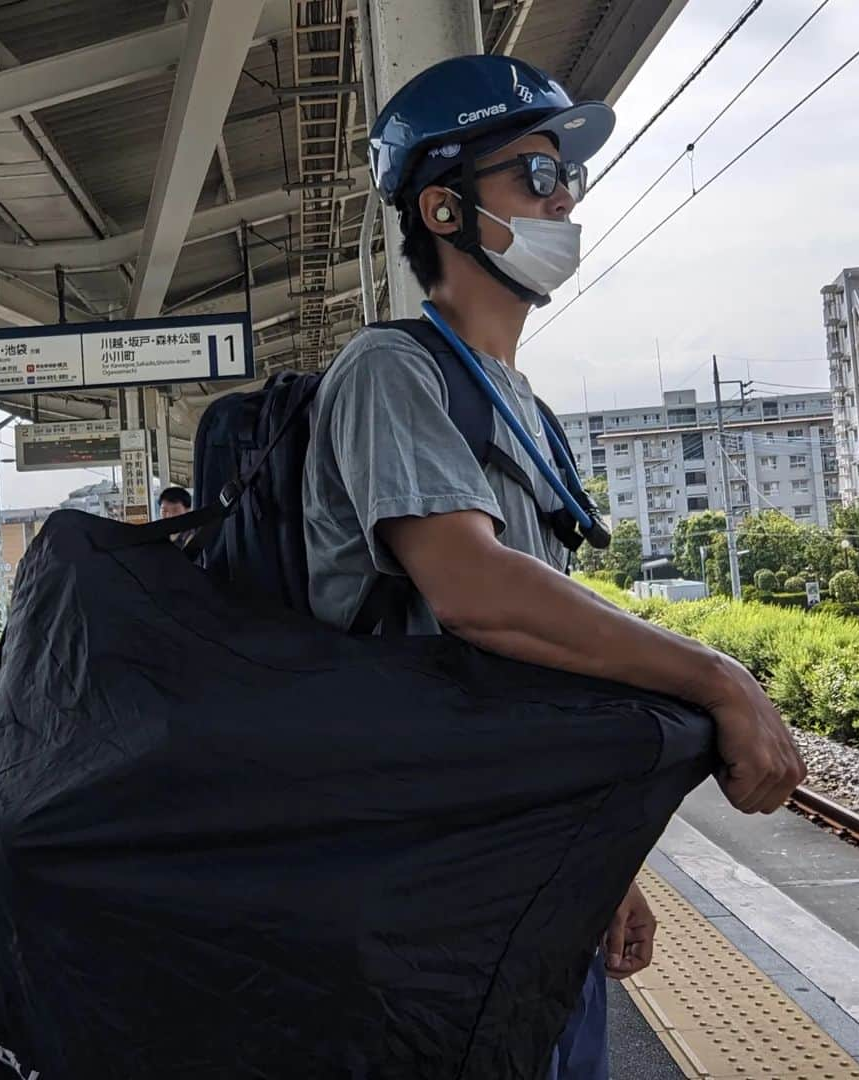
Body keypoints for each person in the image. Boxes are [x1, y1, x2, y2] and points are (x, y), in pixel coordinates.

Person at [302, 55, 805, 1078]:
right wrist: (722, 677)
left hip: (521, 869)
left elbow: (546, 656)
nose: (564, 196)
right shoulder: (391, 371)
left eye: (568, 176)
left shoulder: (518, 404)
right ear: (443, 209)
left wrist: (598, 861)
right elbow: (477, 593)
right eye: (534, 175)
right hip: (424, 897)